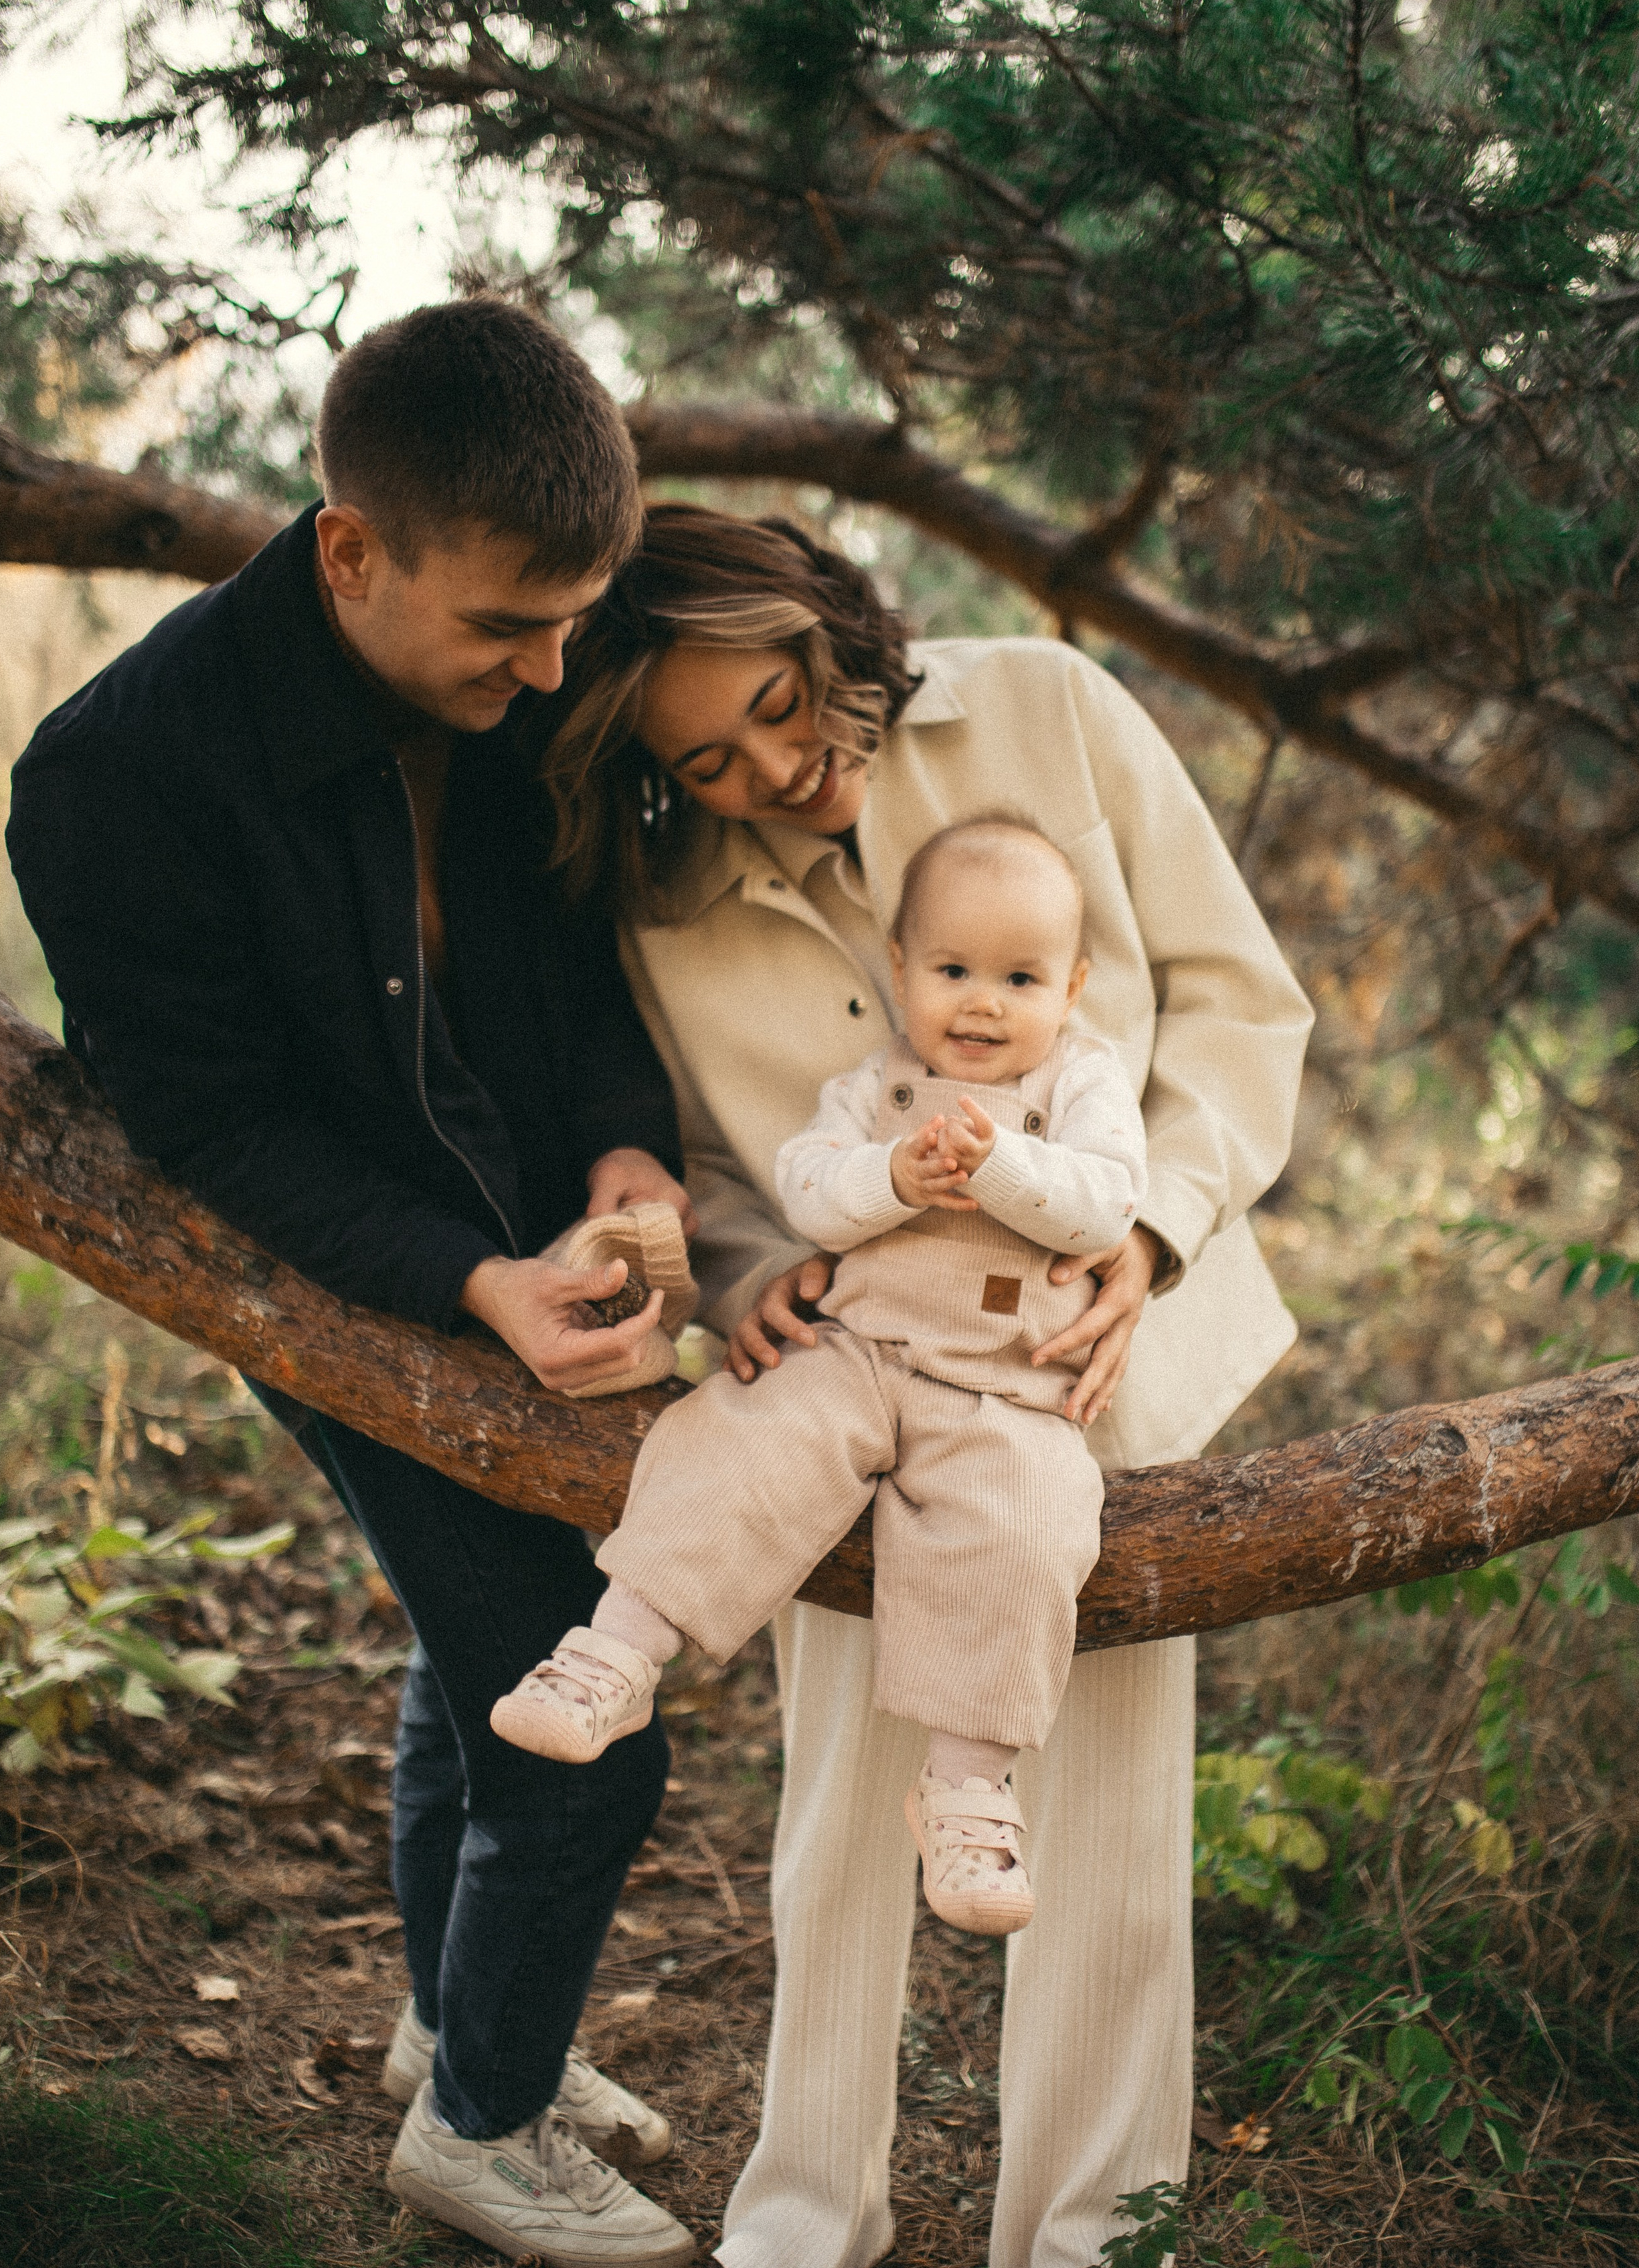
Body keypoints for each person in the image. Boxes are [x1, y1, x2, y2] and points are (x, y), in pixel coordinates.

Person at [529, 504, 1313, 2268]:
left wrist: (1157, 1233)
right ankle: (808, 2215)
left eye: (792, 706)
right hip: (839, 1397)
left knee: (1099, 1836)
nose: (782, 771)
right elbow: (715, 1168)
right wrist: (744, 1273)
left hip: (1089, 1384)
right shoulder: (668, 898)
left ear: (829, 613)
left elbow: (1236, 1004)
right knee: (837, 1817)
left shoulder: (1050, 705)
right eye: (710, 756)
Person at [8, 300, 701, 2268]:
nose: (554, 670)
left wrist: (627, 1158)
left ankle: (454, 2024)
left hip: (524, 1231)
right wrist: (472, 1278)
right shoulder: (114, 778)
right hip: (337, 1277)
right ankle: (479, 2134)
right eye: (507, 631)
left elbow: (569, 976)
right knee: (586, 1729)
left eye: (574, 623)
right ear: (349, 549)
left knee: (467, 1663)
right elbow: (212, 1138)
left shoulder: (521, 676)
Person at [491, 814, 1148, 1942]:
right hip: (856, 1352)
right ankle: (614, 1651)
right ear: (900, 971)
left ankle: (969, 1791)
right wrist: (895, 1173)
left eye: (1019, 978)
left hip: (1000, 1388)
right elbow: (809, 1193)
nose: (982, 1004)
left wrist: (999, 1164)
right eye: (951, 972)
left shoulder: (1082, 1087)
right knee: (740, 1435)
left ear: (1074, 987)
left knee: (1030, 1530)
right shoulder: (876, 1089)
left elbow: (1106, 1203)